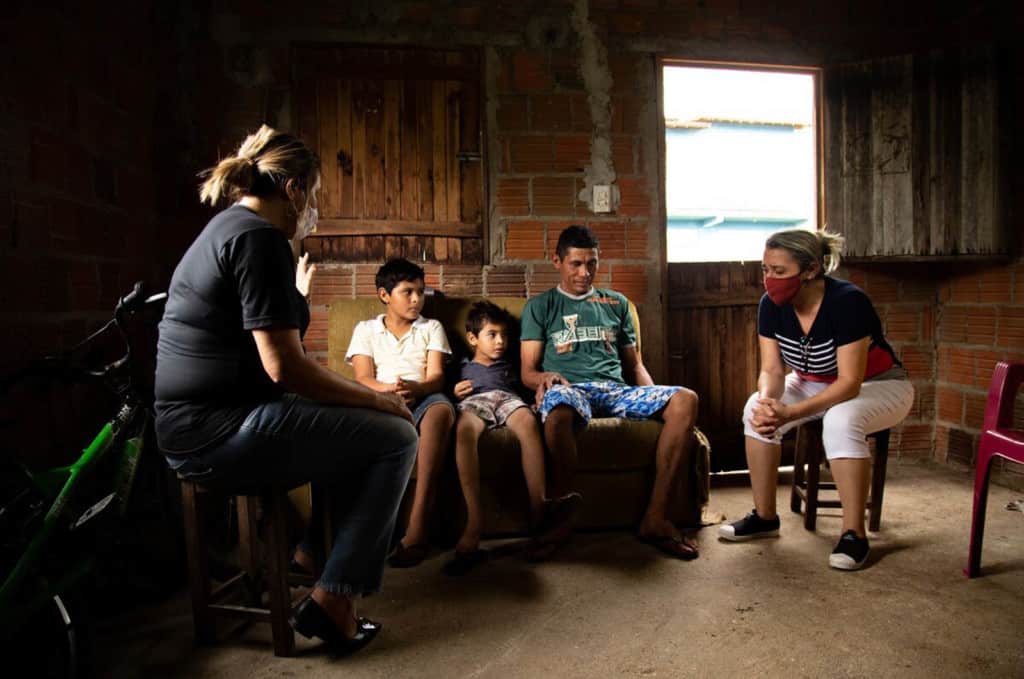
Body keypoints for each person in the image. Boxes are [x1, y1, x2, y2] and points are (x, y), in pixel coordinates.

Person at [155, 125, 418, 654]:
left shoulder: (231, 228)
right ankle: (334, 600)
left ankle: (316, 560)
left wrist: (296, 296)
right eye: (314, 195)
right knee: (396, 436)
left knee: (361, 434)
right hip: (218, 432)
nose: (312, 208)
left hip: (206, 422)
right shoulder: (259, 238)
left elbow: (269, 348)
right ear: (295, 189)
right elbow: (286, 369)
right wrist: (378, 399)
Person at [718, 229, 914, 571]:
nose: (769, 279)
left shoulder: (848, 302)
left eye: (779, 271)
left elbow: (850, 384)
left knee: (841, 420)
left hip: (878, 384)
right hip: (812, 382)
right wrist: (769, 402)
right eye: (765, 269)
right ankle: (764, 518)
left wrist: (791, 411)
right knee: (754, 410)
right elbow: (773, 370)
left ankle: (855, 534)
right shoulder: (771, 305)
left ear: (810, 270)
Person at [520, 225, 701, 560]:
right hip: (570, 389)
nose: (584, 272)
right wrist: (544, 378)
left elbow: (635, 366)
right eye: (575, 264)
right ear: (557, 261)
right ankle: (560, 520)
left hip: (615, 391)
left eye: (591, 264)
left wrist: (656, 401)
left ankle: (655, 518)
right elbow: (528, 372)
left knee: (685, 398)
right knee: (558, 411)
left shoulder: (617, 303)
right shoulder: (540, 306)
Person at [446, 301, 581, 575]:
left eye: (505, 335)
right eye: (492, 335)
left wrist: (534, 403)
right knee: (463, 430)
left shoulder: (510, 365)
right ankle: (474, 522)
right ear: (473, 339)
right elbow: (447, 388)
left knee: (528, 422)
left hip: (509, 400)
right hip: (475, 401)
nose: (501, 342)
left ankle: (539, 506)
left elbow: (525, 391)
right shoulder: (462, 364)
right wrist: (454, 392)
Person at [345, 258, 456, 568]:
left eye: (420, 292)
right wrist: (389, 393)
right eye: (407, 292)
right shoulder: (365, 329)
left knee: (441, 413)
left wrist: (415, 390)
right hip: (382, 398)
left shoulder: (431, 327)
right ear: (384, 295)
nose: (416, 299)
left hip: (423, 395)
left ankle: (417, 530)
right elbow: (363, 379)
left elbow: (436, 378)